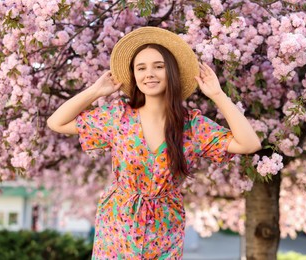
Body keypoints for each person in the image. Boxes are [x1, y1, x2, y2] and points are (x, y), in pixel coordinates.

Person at [47, 27, 261, 259]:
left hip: (165, 228)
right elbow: (56, 122)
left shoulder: (192, 126)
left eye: (158, 66)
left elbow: (249, 144)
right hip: (117, 226)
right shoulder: (118, 117)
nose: (149, 74)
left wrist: (218, 95)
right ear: (134, 76)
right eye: (141, 68)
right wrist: (95, 91)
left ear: (171, 72)